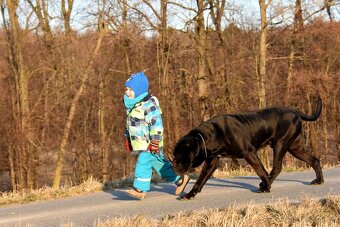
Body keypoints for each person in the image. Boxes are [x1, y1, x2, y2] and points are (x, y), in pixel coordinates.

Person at [123, 72, 189, 200]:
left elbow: (157, 126)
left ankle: (140, 189)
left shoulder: (149, 105)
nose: (127, 92)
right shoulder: (132, 105)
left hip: (151, 143)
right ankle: (180, 179)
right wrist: (128, 137)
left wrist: (155, 142)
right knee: (160, 166)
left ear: (140, 90)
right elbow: (131, 124)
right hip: (141, 143)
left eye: (131, 90)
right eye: (126, 89)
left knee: (144, 161)